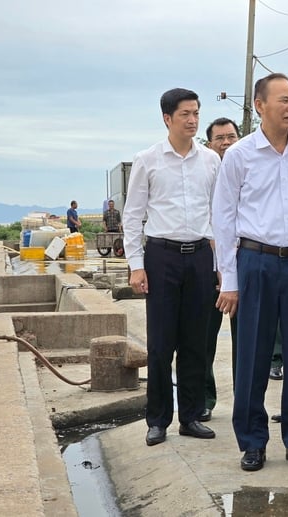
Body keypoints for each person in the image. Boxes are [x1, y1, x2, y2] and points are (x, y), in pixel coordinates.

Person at [212, 73, 288, 472]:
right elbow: (224, 219)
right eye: (283, 100)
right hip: (256, 261)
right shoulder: (240, 155)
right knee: (252, 353)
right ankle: (252, 441)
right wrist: (228, 280)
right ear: (259, 105)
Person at [123, 88, 219, 447]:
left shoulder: (211, 160)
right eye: (185, 114)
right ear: (167, 118)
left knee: (196, 341)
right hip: (161, 256)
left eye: (196, 113)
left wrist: (221, 263)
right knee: (162, 343)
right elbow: (133, 216)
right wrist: (136, 265)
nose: (192, 120)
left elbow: (219, 215)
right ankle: (158, 419)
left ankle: (191, 417)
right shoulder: (147, 160)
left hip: (199, 257)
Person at [200, 116, 242, 422]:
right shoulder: (204, 174)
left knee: (248, 340)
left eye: (231, 137)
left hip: (248, 265)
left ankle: (246, 401)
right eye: (220, 139)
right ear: (209, 144)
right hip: (211, 267)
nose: (226, 143)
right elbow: (209, 223)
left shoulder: (250, 168)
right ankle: (204, 398)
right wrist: (219, 266)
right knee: (203, 337)